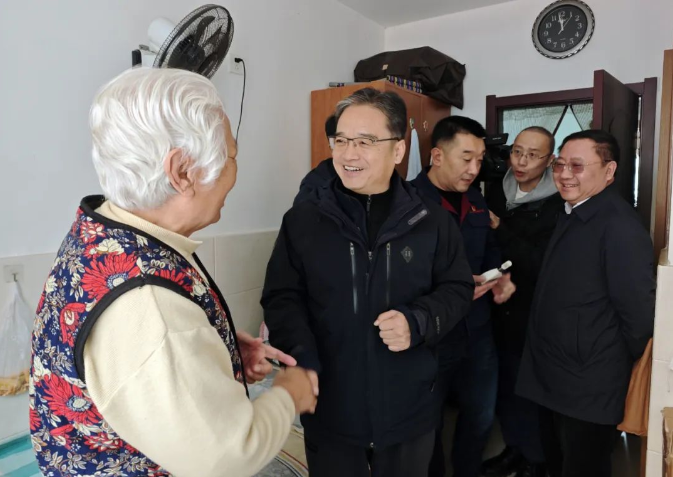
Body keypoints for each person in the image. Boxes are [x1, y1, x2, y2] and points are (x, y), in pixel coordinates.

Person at [29, 67, 318, 477]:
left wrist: (210, 349)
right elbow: (227, 457)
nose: (235, 173)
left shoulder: (103, 234)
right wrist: (289, 393)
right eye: (232, 156)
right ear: (182, 171)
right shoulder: (148, 306)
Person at [262, 87, 475, 477]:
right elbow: (282, 297)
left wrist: (419, 321)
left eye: (364, 142)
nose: (348, 154)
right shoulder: (303, 221)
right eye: (341, 141)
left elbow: (458, 289)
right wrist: (301, 357)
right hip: (330, 407)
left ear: (398, 150)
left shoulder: (432, 222)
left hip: (409, 409)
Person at [516, 130, 655, 477]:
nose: (564, 174)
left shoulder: (619, 227)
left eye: (577, 166)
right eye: (559, 164)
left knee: (584, 466)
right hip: (555, 372)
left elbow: (639, 316)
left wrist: (604, 360)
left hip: (589, 381)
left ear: (609, 171)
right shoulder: (570, 210)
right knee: (557, 461)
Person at [411, 116, 516, 477]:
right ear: (438, 156)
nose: (474, 169)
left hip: (477, 330)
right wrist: (452, 288)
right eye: (466, 158)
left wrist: (499, 276)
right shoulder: (406, 203)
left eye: (480, 159)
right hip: (432, 333)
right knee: (428, 421)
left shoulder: (475, 200)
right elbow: (397, 275)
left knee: (480, 414)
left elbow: (488, 248)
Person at [481, 127, 563, 477]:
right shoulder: (496, 190)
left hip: (533, 312)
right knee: (504, 388)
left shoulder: (558, 203)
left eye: (533, 155)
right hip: (497, 307)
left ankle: (537, 461)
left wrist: (500, 229)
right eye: (517, 151)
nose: (522, 161)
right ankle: (514, 450)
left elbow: (542, 262)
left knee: (531, 392)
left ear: (550, 160)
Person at [294, 115, 338, 206]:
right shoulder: (317, 183)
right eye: (341, 141)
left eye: (363, 142)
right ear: (331, 147)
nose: (350, 154)